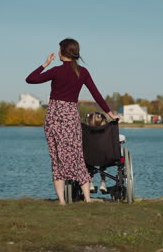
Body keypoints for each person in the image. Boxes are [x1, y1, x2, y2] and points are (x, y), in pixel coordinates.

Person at [25, 38, 117, 205]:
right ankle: (87, 199)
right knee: (77, 156)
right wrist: (109, 114)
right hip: (70, 117)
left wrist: (45, 64)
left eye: (59, 49)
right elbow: (96, 94)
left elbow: (30, 79)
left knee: (57, 157)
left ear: (63, 52)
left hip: (54, 116)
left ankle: (62, 201)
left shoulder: (56, 71)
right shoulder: (82, 72)